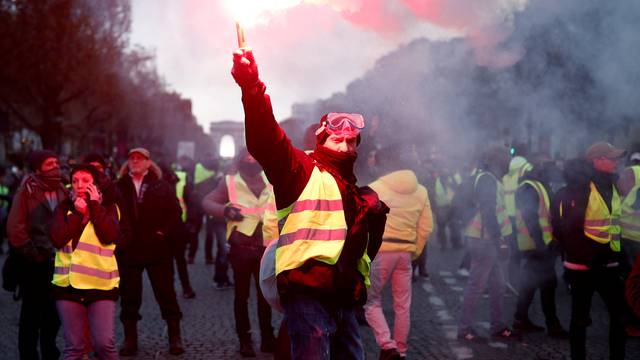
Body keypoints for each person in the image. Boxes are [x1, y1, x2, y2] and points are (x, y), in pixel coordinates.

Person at [231, 48, 389, 359]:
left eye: (350, 141)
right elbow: (266, 138)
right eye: (336, 140)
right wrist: (251, 87)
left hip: (344, 293)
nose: (344, 146)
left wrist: (375, 216)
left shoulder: (357, 192)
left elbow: (364, 251)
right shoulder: (300, 170)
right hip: (307, 290)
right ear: (320, 141)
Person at [551, 142, 627, 360]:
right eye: (611, 158)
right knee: (580, 319)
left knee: (619, 316)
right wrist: (589, 257)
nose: (616, 162)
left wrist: (620, 257)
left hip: (609, 264)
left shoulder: (611, 185)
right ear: (596, 160)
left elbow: (613, 225)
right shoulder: (579, 188)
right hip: (583, 266)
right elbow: (568, 228)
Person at [202, 148, 278, 357]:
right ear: (240, 160)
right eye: (247, 158)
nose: (251, 161)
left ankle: (267, 337)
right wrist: (224, 211)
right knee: (241, 296)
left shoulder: (271, 179)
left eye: (255, 158)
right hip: (241, 246)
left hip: (266, 245)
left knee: (266, 296)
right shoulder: (229, 182)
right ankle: (244, 339)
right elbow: (207, 202)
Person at [365, 146, 433, 360]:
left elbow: (362, 225)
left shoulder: (374, 189)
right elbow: (426, 227)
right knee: (403, 305)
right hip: (405, 253)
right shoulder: (421, 191)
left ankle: (387, 345)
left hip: (379, 252)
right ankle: (401, 351)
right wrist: (415, 252)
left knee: (371, 302)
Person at [116, 148, 185, 356]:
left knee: (166, 294)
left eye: (140, 158)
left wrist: (162, 232)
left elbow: (176, 212)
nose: (135, 161)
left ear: (148, 163)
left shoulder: (161, 186)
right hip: (129, 249)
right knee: (129, 296)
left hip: (157, 248)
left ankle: (175, 337)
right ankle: (130, 339)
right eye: (132, 158)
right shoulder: (118, 186)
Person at [49, 164, 122, 360]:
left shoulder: (110, 208)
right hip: (67, 286)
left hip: (101, 286)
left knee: (104, 344)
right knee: (74, 347)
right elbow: (57, 239)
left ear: (96, 185)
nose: (79, 185)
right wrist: (78, 215)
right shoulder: (63, 209)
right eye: (74, 181)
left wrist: (95, 207)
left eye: (86, 181)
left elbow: (110, 235)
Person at [7, 150, 66, 359]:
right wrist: (33, 253)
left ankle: (50, 350)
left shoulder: (61, 189)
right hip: (33, 263)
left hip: (57, 262)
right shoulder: (26, 192)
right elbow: (15, 228)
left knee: (53, 314)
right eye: (50, 164)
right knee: (31, 315)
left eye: (56, 162)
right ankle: (28, 354)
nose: (55, 167)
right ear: (38, 168)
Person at [457, 145, 517, 342]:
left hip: (487, 239)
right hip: (485, 241)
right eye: (507, 158)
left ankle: (497, 326)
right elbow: (488, 211)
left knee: (498, 285)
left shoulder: (490, 179)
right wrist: (499, 239)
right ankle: (464, 329)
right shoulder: (487, 180)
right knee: (477, 285)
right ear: (497, 160)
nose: (509, 162)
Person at [511, 163, 568, 338]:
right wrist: (543, 244)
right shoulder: (530, 187)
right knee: (548, 284)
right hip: (538, 245)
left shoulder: (535, 186)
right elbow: (531, 218)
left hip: (538, 244)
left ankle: (521, 319)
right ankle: (553, 325)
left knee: (530, 284)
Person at [619, 152, 640, 268]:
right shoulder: (624, 196)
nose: (624, 180)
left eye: (629, 178)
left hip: (636, 241)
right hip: (624, 238)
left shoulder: (636, 194)